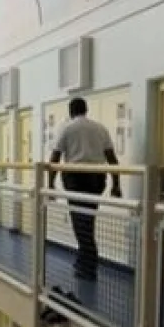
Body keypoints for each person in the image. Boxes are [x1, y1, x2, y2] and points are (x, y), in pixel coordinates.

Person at [47, 97, 122, 281]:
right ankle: (83, 261)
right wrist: (116, 184)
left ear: (71, 111)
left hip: (75, 180)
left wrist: (50, 184)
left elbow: (55, 158)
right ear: (86, 110)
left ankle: (88, 266)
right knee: (88, 220)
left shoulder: (67, 128)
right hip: (97, 179)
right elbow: (112, 158)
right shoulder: (100, 128)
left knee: (80, 223)